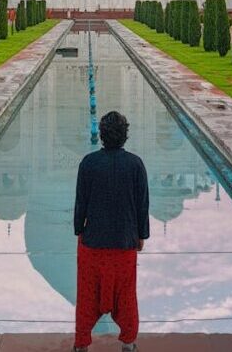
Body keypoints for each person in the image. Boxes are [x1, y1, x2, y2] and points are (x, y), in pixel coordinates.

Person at [73, 110, 149, 352]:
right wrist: (141, 235)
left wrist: (78, 229)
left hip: (92, 243)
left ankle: (82, 344)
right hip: (124, 244)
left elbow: (80, 202)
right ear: (125, 135)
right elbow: (142, 204)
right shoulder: (136, 164)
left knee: (87, 296)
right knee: (125, 295)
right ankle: (128, 343)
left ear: (102, 135)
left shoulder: (89, 163)